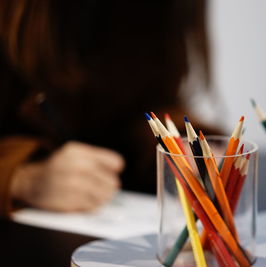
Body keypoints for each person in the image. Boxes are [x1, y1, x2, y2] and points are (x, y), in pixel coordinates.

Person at [0, 0, 219, 216]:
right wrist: (20, 179)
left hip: (110, 209)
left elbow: (146, 99)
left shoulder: (157, 10)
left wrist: (176, 143)